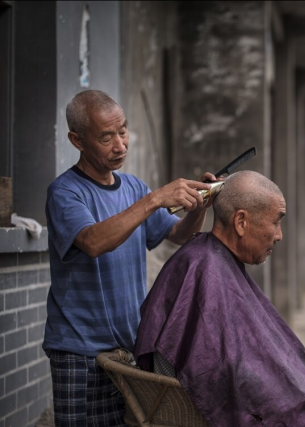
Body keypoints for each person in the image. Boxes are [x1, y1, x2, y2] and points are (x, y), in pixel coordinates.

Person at [43, 90, 220, 426]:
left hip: (128, 349)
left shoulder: (134, 188)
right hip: (80, 352)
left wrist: (200, 206)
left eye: (122, 131)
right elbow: (94, 241)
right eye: (106, 137)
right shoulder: (65, 192)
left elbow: (177, 236)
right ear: (77, 140)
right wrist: (153, 200)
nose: (120, 146)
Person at [134, 171, 305, 427]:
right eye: (276, 222)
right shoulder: (201, 267)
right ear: (241, 222)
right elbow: (215, 367)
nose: (279, 235)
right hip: (189, 406)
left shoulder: (211, 260)